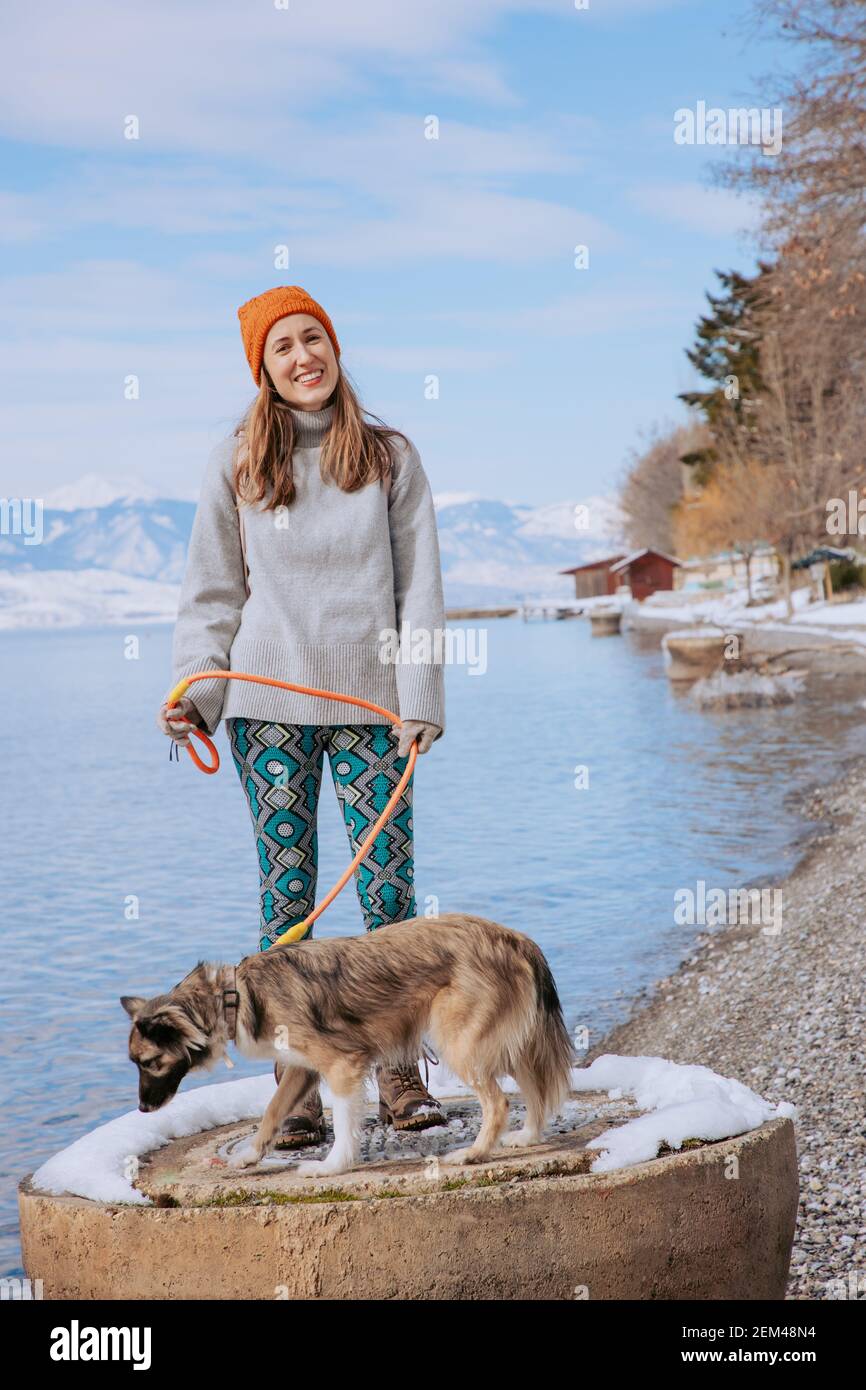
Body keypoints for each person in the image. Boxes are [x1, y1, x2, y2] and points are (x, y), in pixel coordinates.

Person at [156, 285, 448, 1145]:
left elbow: (419, 591)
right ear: (264, 369)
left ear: (333, 345)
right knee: (288, 906)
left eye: (311, 338)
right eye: (281, 347)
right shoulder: (237, 460)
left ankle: (399, 1077)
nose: (302, 357)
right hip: (268, 711)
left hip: (373, 708)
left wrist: (421, 699)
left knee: (388, 895)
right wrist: (195, 694)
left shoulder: (390, 456)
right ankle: (300, 1092)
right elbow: (212, 593)